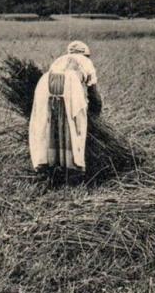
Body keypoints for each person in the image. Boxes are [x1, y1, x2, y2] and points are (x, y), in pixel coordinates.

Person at [28, 41, 103, 185]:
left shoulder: (59, 60)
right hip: (70, 84)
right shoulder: (86, 61)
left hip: (45, 83)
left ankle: (49, 165)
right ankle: (73, 170)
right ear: (86, 54)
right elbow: (94, 94)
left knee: (48, 124)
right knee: (75, 127)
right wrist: (95, 116)